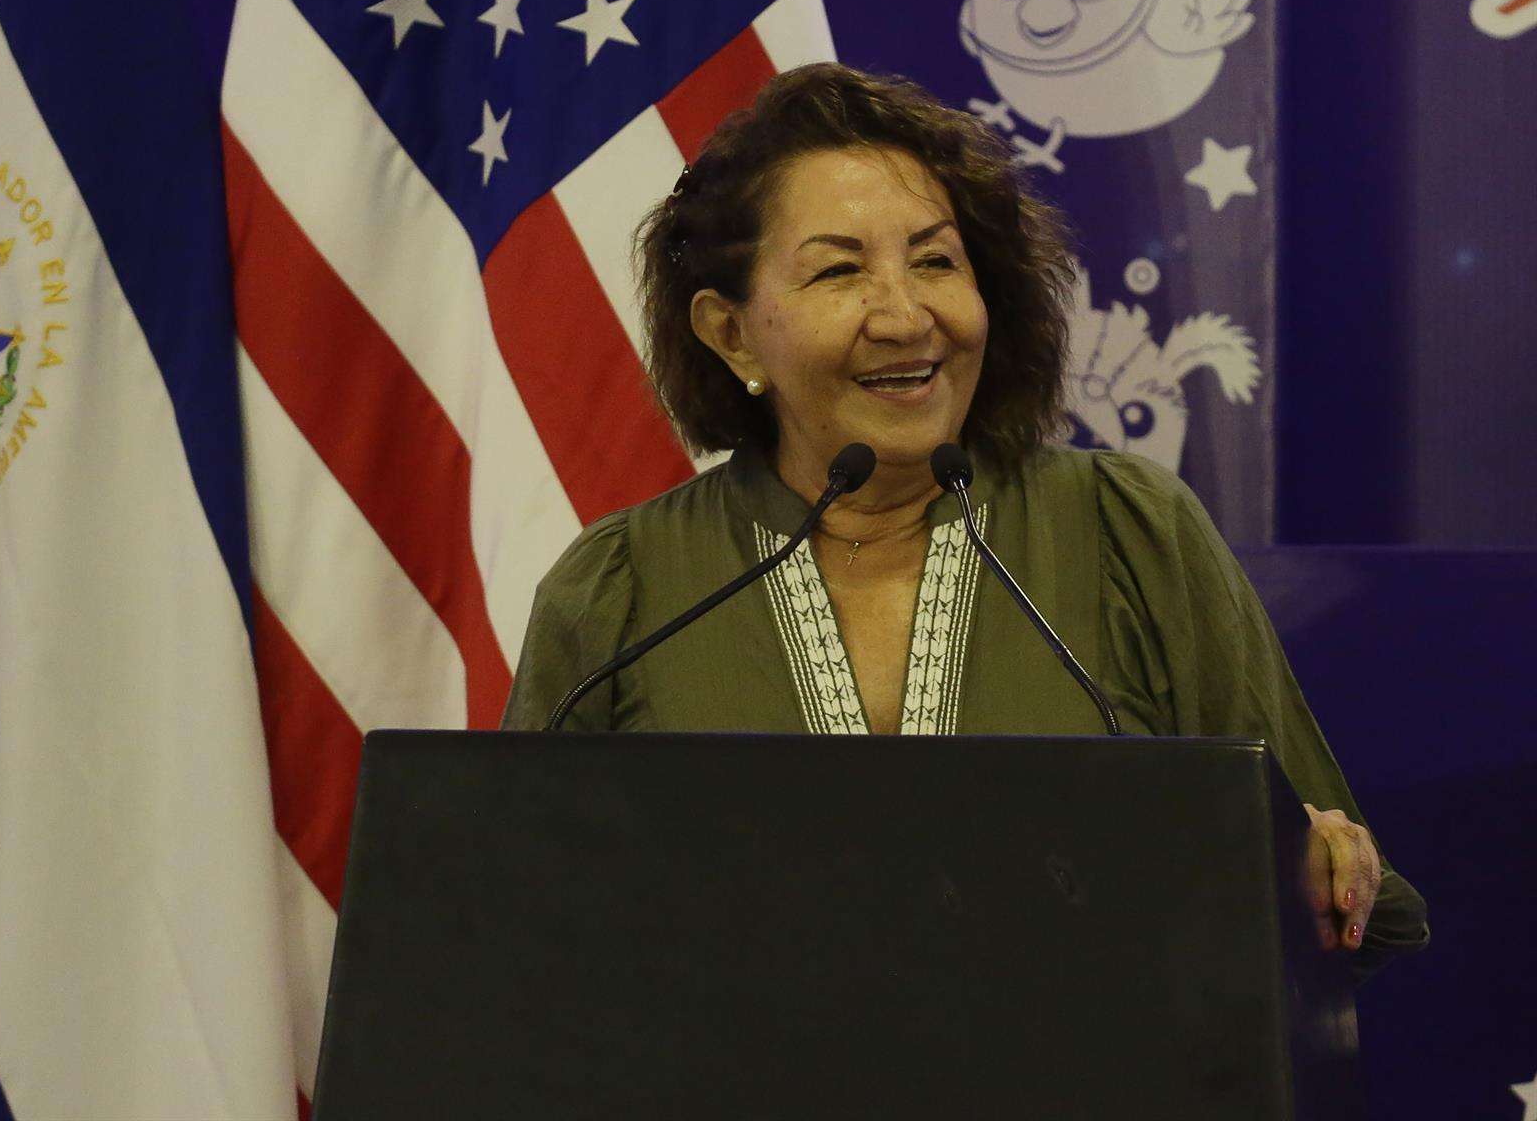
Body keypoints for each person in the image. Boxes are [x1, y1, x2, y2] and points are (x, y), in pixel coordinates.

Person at [499, 62, 1427, 978]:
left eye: (937, 260)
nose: (906, 316)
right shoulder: (625, 587)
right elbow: (506, 921)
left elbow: (1357, 902)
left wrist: (1319, 864)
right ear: (731, 332)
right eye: (838, 271)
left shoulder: (1125, 530)